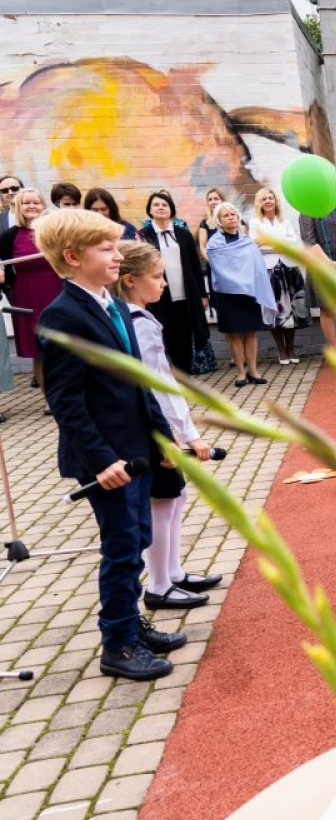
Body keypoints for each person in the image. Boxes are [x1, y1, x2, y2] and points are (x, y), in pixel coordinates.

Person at [35, 209, 183, 680]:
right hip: (108, 460)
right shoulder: (62, 316)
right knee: (121, 547)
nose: (118, 256)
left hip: (137, 451)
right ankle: (117, 643)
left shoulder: (113, 304)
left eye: (116, 247)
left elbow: (141, 385)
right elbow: (67, 403)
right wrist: (101, 462)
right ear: (72, 257)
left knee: (137, 537)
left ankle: (130, 622)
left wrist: (162, 438)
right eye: (106, 249)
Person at [112, 241, 222, 610]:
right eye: (157, 277)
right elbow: (156, 386)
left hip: (163, 425)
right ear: (129, 280)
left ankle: (173, 572)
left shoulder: (140, 317)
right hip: (157, 428)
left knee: (176, 497)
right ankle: (158, 584)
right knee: (163, 500)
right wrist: (181, 433)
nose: (163, 283)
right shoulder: (136, 323)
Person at [139, 190, 212, 372]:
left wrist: (202, 295)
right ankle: (169, 377)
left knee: (186, 337)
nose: (161, 208)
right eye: (156, 204)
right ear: (150, 210)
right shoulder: (144, 235)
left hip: (185, 295)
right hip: (159, 296)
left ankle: (185, 375)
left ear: (171, 209)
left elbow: (195, 266)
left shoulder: (183, 234)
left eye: (165, 204)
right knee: (165, 337)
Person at [0, 188, 60, 400]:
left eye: (36, 202)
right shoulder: (10, 235)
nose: (32, 206)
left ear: (44, 206)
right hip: (27, 295)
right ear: (18, 207)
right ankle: (51, 400)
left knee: (65, 346)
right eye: (26, 203)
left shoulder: (55, 231)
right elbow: (4, 267)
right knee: (40, 351)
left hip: (58, 291)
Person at [206, 203, 274, 386]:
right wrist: (239, 280)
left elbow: (256, 267)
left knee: (251, 332)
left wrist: (251, 283)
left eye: (233, 214)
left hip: (249, 292)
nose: (230, 218)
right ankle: (241, 373)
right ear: (219, 221)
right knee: (235, 333)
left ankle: (253, 370)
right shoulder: (214, 243)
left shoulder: (246, 241)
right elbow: (219, 268)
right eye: (226, 215)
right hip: (227, 293)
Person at [247, 188, 305, 365]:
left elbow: (294, 243)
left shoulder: (285, 221)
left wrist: (270, 243)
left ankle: (291, 348)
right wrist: (280, 244)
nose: (268, 201)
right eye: (264, 199)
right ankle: (281, 350)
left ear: (275, 201)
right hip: (269, 271)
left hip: (289, 269)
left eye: (270, 198)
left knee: (291, 311)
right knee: (274, 311)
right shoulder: (255, 223)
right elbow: (255, 247)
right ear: (260, 203)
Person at [299, 203, 336, 361]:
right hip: (321, 264)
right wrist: (330, 263)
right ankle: (335, 351)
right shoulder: (307, 209)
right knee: (327, 307)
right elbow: (309, 241)